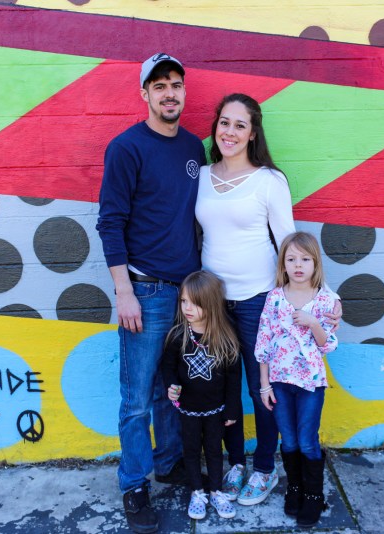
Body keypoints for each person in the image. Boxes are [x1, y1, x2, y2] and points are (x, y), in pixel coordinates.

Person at [195, 94, 342, 506]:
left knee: (263, 389)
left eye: (240, 125)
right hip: (213, 303)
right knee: (223, 388)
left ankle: (264, 468)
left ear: (253, 133)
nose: (230, 131)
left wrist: (322, 299)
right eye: (225, 122)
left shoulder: (269, 181)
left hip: (259, 301)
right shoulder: (203, 176)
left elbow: (293, 248)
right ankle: (236, 462)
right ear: (216, 127)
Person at [96, 52, 206, 534]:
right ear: (144, 94)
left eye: (175, 84)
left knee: (171, 392)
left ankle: (168, 462)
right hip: (144, 291)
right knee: (137, 398)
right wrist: (124, 291)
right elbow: (110, 222)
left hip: (186, 296)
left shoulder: (193, 147)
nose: (169, 93)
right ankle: (134, 483)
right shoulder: (126, 148)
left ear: (184, 91)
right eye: (158, 85)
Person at [255, 231, 338, 528]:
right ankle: (295, 487)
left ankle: (314, 494)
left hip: (310, 384)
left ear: (315, 263)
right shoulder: (275, 298)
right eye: (291, 259)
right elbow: (263, 343)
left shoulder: (326, 300)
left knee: (306, 440)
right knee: (288, 440)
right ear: (283, 264)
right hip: (279, 382)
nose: (298, 265)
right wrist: (264, 385)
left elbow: (328, 345)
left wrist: (314, 322)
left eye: (305, 259)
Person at [161, 271, 242, 520]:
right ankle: (197, 491)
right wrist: (172, 385)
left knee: (215, 450)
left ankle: (216, 490)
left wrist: (231, 409)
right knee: (192, 449)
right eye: (184, 301)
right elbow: (167, 367)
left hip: (216, 410)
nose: (187, 308)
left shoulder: (225, 338)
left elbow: (234, 378)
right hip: (188, 409)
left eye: (195, 303)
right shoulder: (177, 335)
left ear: (211, 304)